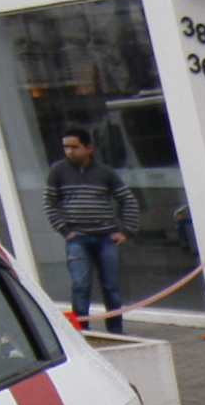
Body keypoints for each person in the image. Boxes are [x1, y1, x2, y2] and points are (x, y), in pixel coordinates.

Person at [43, 127, 141, 335]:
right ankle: (82, 330)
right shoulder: (58, 171)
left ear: (88, 148)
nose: (69, 152)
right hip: (77, 238)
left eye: (74, 147)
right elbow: (50, 203)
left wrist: (126, 231)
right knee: (80, 285)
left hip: (106, 237)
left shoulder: (104, 172)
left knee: (110, 286)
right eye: (66, 147)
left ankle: (115, 330)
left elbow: (127, 200)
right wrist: (64, 230)